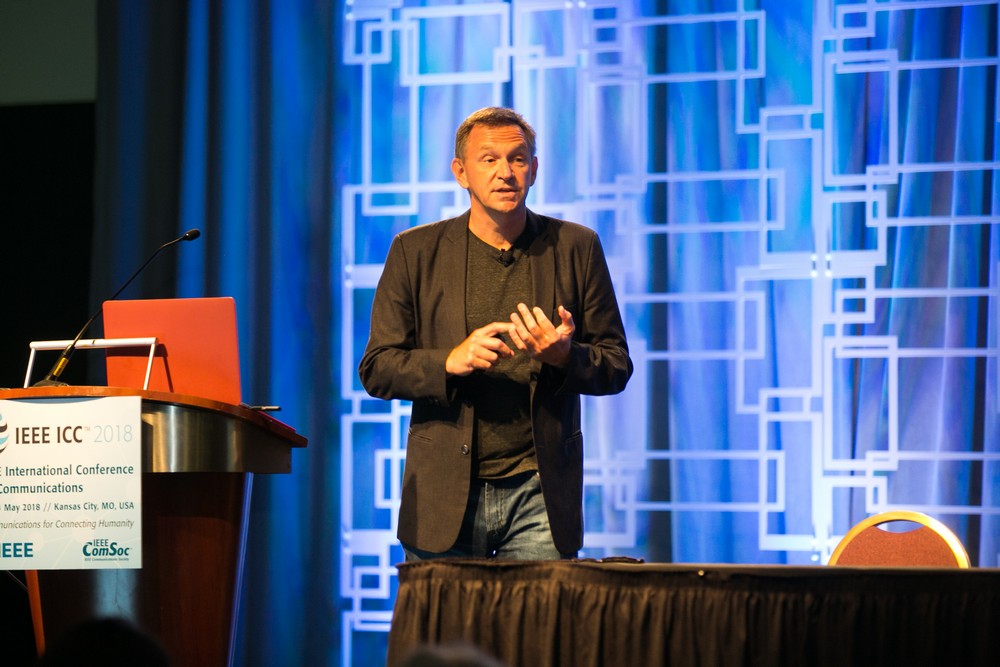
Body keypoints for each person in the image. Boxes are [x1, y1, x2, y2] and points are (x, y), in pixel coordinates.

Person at [358, 107, 632, 560]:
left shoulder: (576, 247)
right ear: (461, 172)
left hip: (540, 493)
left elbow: (616, 365)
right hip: (444, 493)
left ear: (534, 169)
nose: (505, 172)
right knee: (441, 613)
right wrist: (450, 361)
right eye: (489, 159)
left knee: (542, 612)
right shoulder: (414, 251)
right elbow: (377, 368)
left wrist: (565, 356)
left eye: (518, 159)